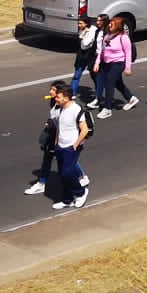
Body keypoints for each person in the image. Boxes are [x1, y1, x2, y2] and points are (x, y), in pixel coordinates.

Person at [45, 79, 89, 210]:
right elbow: (60, 127)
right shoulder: (60, 109)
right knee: (62, 174)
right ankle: (67, 199)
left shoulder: (76, 109)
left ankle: (81, 192)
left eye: (58, 97)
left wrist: (75, 145)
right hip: (60, 146)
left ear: (66, 98)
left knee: (67, 173)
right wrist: (56, 142)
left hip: (71, 147)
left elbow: (84, 129)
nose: (56, 99)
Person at [95, 15, 138, 116]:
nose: (109, 25)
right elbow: (102, 51)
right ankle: (131, 98)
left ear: (118, 26)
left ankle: (107, 108)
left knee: (109, 83)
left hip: (118, 63)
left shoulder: (123, 37)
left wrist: (128, 68)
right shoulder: (107, 36)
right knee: (118, 83)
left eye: (112, 24)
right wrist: (97, 63)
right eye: (110, 23)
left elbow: (128, 53)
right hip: (107, 63)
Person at [69, 12, 100, 100]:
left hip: (89, 56)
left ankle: (98, 93)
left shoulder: (92, 31)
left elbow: (85, 44)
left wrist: (82, 36)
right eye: (78, 23)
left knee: (94, 75)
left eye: (81, 23)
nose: (79, 25)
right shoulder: (82, 30)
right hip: (81, 56)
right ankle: (72, 92)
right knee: (77, 75)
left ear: (86, 24)